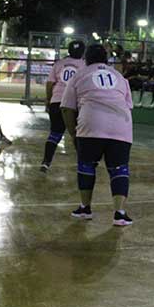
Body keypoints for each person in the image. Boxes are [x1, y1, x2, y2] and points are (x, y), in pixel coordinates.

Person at [60, 44, 134, 226]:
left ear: (86, 59)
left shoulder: (80, 74)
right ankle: (120, 213)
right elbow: (128, 105)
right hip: (121, 126)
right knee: (119, 168)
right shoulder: (119, 77)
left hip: (91, 124)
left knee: (86, 166)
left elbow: (66, 108)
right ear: (106, 59)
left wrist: (73, 134)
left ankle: (85, 208)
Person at [41, 40, 86, 173]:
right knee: (78, 134)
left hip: (57, 101)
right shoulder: (84, 65)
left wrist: (49, 100)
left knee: (55, 133)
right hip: (74, 103)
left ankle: (46, 162)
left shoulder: (59, 63)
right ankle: (83, 164)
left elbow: (49, 84)